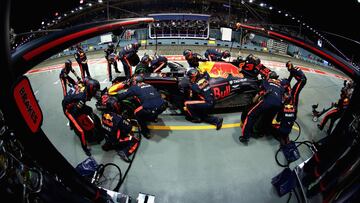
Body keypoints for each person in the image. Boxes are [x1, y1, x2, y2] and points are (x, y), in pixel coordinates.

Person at [240, 72, 284, 144]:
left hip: (268, 101)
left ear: (269, 76)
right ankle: (261, 132)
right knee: (268, 119)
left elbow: (258, 94)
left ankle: (245, 137)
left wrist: (252, 103)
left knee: (250, 115)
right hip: (278, 104)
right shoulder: (281, 86)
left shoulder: (266, 81)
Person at [62, 78, 100, 156]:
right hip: (68, 110)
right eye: (95, 91)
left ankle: (72, 124)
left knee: (89, 109)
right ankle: (85, 147)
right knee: (81, 131)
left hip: (72, 103)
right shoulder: (82, 99)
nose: (95, 93)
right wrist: (77, 121)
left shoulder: (84, 91)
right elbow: (75, 112)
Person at [101, 97, 140, 162]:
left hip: (106, 136)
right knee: (135, 140)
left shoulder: (103, 113)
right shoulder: (118, 118)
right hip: (115, 140)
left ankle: (108, 144)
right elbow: (128, 127)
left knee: (114, 129)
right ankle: (125, 152)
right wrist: (126, 119)